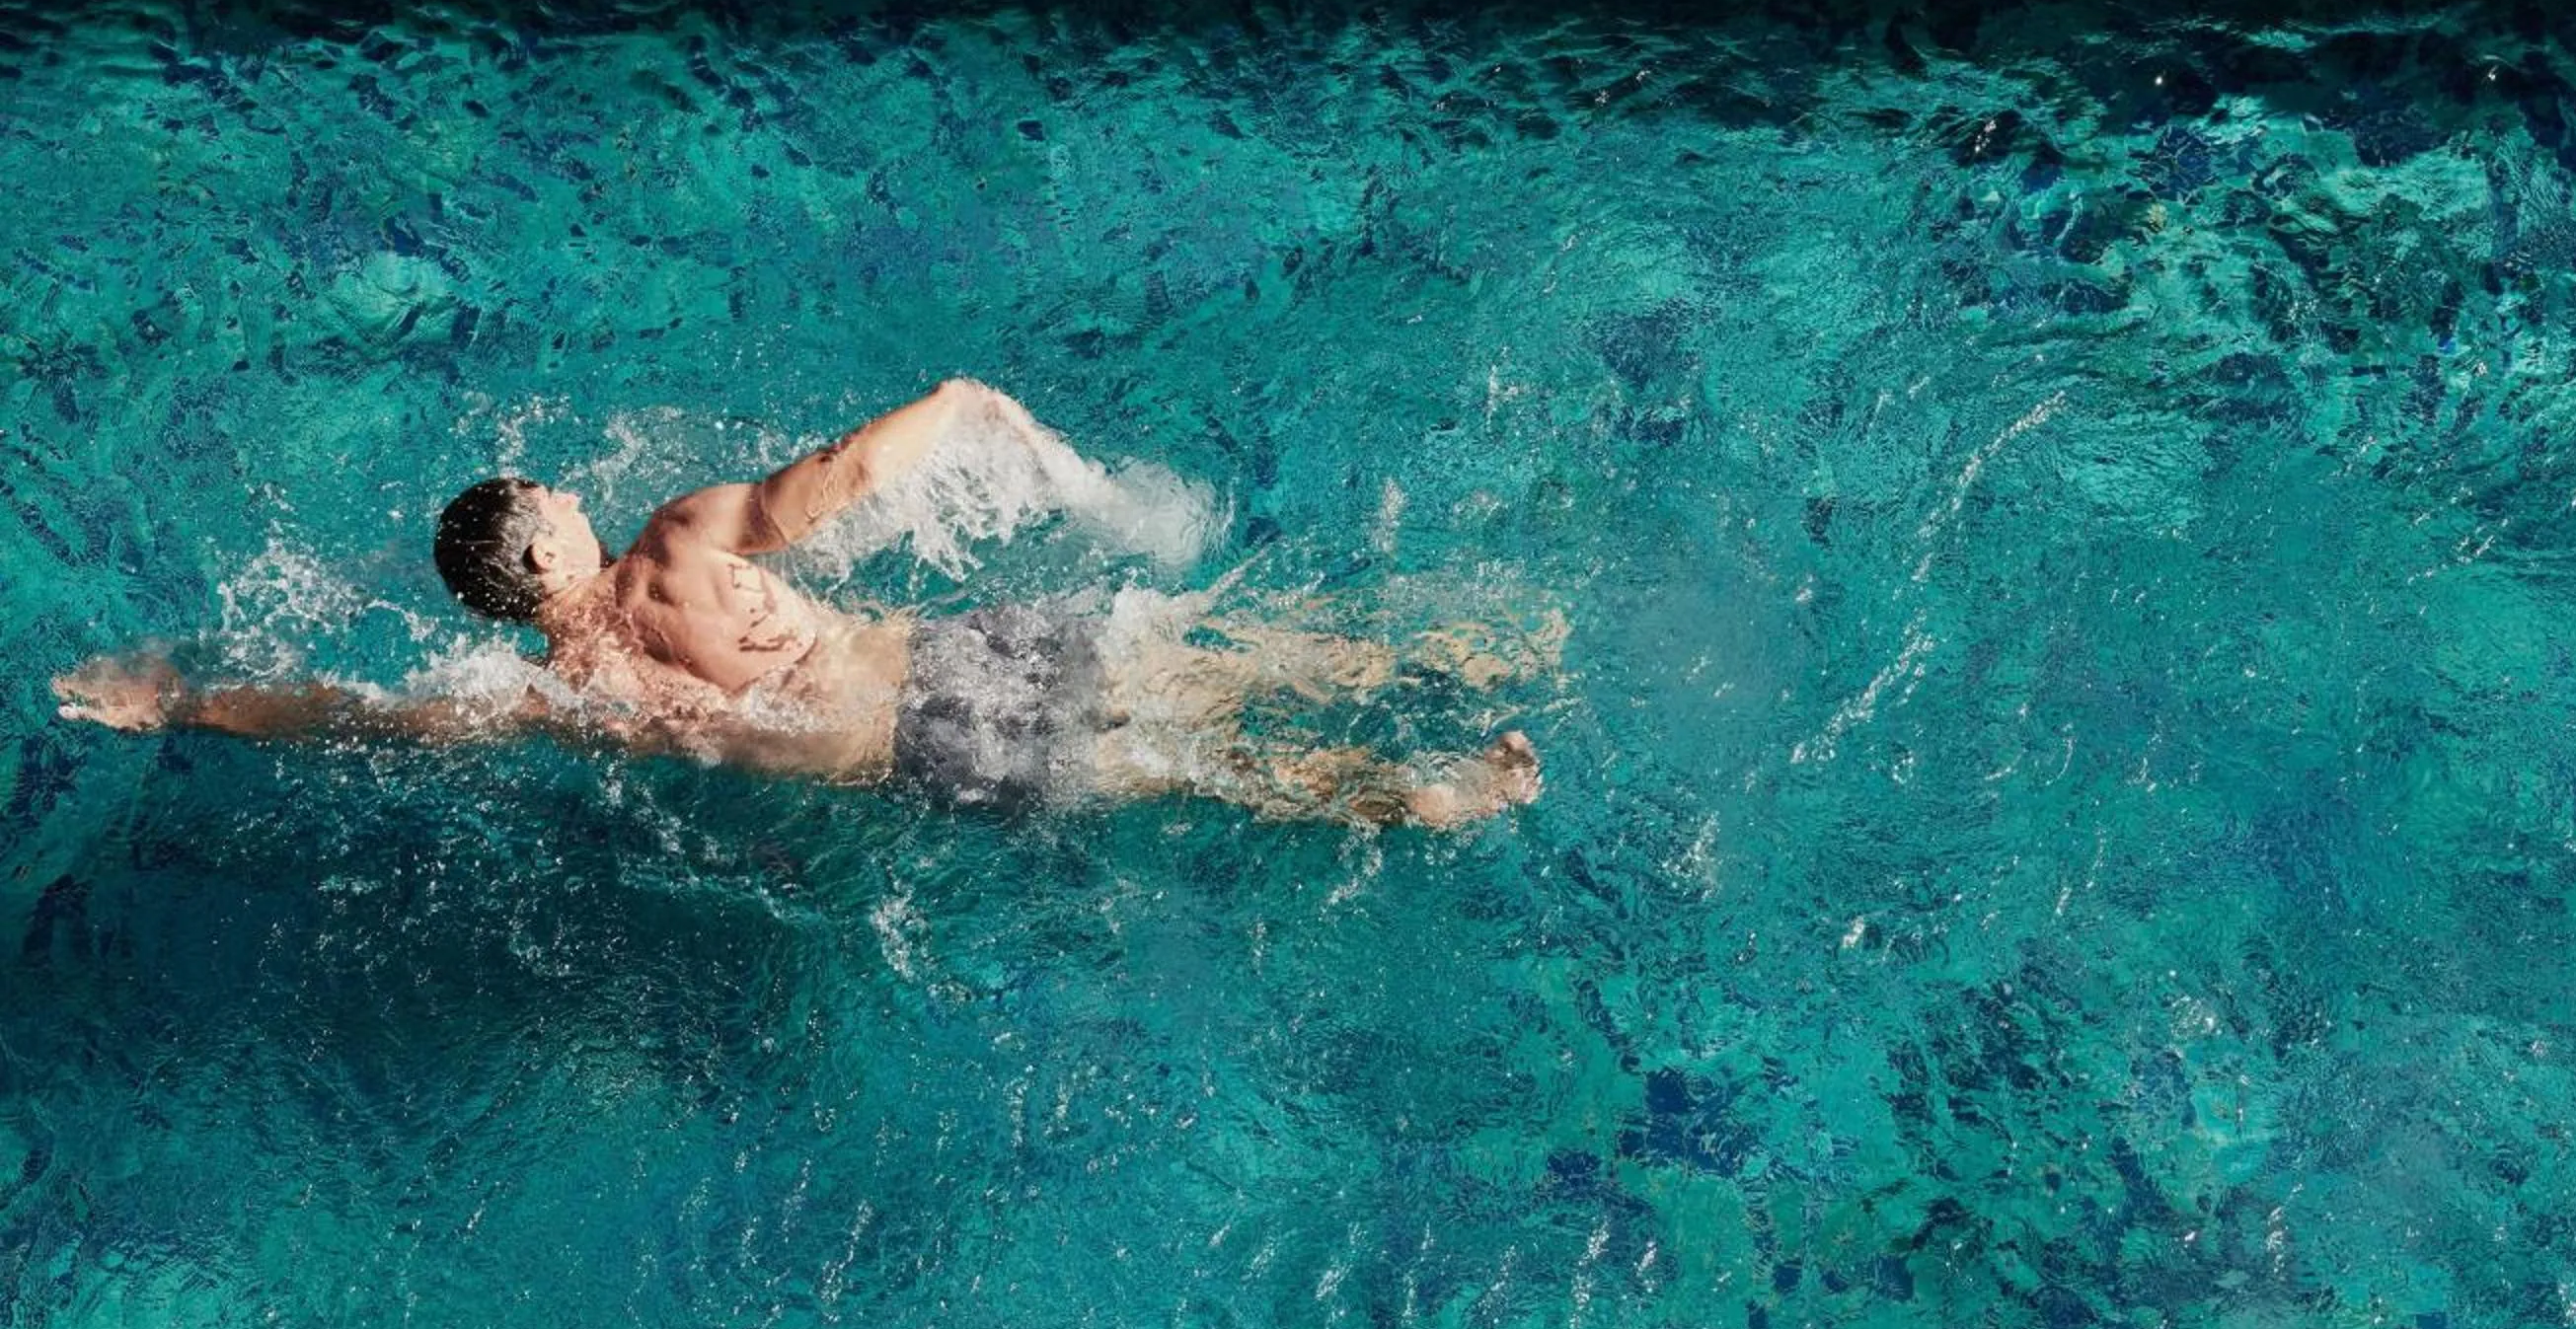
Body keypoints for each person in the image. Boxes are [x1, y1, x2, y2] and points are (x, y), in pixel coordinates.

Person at [53, 380, 1547, 828]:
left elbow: (366, 722)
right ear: (546, 534)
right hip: (958, 653)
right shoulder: (679, 539)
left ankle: (1419, 799)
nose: (569, 491)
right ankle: (1453, 649)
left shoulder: (548, 696)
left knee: (1210, 779)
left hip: (920, 761)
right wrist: (948, 407)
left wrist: (185, 701)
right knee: (1229, 663)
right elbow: (824, 483)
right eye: (551, 494)